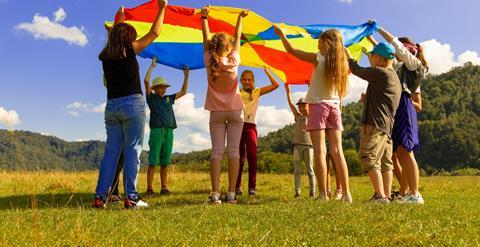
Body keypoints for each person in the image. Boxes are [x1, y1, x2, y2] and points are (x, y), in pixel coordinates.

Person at [93, 0, 168, 209]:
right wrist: (162, 8)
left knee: (111, 152)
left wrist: (119, 20)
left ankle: (100, 197)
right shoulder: (130, 48)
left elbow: (113, 40)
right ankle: (132, 197)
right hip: (132, 105)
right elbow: (155, 33)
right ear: (127, 38)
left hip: (112, 107)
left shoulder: (106, 55)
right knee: (132, 150)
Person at [275, 26, 352, 202]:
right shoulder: (343, 63)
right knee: (338, 150)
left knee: (319, 150)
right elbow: (345, 51)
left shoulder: (318, 58)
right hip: (334, 107)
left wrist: (282, 35)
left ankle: (323, 194)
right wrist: (341, 45)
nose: (317, 43)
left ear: (327, 43)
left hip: (318, 106)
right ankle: (346, 194)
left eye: (320, 40)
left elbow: (292, 50)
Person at [376, 25, 428, 204]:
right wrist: (370, 39)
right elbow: (384, 55)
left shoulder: (414, 64)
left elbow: (395, 45)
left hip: (405, 107)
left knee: (406, 152)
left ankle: (415, 193)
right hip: (397, 109)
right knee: (400, 151)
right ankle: (408, 193)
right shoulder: (399, 67)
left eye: (400, 48)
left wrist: (379, 29)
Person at [201, 6, 248, 204]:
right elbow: (238, 37)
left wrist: (204, 17)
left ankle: (214, 193)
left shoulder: (209, 59)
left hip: (216, 113)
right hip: (236, 111)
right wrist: (239, 18)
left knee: (217, 152)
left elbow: (205, 38)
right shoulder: (234, 60)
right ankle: (230, 193)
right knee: (234, 151)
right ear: (228, 48)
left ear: (213, 47)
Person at [346, 41, 402, 203]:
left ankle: (379, 195)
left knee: (368, 156)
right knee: (386, 162)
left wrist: (347, 55)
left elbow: (356, 70)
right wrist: (368, 100)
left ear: (378, 57)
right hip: (386, 126)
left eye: (372, 56)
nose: (371, 58)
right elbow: (383, 100)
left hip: (375, 123)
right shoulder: (393, 77)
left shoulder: (381, 73)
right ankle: (385, 196)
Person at [144, 57, 189, 197]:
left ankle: (164, 188)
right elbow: (146, 81)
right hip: (157, 131)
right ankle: (149, 188)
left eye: (164, 87)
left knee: (165, 162)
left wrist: (186, 75)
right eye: (160, 87)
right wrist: (152, 67)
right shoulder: (151, 98)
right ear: (155, 89)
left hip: (169, 131)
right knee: (153, 161)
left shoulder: (169, 99)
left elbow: (184, 91)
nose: (163, 89)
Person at [235, 68, 279, 196]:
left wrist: (266, 71)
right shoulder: (237, 91)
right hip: (238, 125)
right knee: (239, 158)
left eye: (249, 79)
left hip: (251, 126)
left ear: (253, 80)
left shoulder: (257, 91)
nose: (247, 81)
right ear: (241, 80)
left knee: (252, 156)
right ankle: (237, 186)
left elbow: (276, 85)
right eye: (244, 79)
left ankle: (252, 188)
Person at [284, 85, 315, 198]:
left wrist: (310, 86)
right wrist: (288, 92)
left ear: (308, 106)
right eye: (300, 106)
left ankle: (312, 192)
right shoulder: (297, 116)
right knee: (297, 170)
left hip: (309, 146)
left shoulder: (312, 116)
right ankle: (297, 192)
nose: (301, 108)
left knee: (310, 169)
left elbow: (313, 99)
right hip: (297, 146)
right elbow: (291, 105)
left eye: (304, 106)